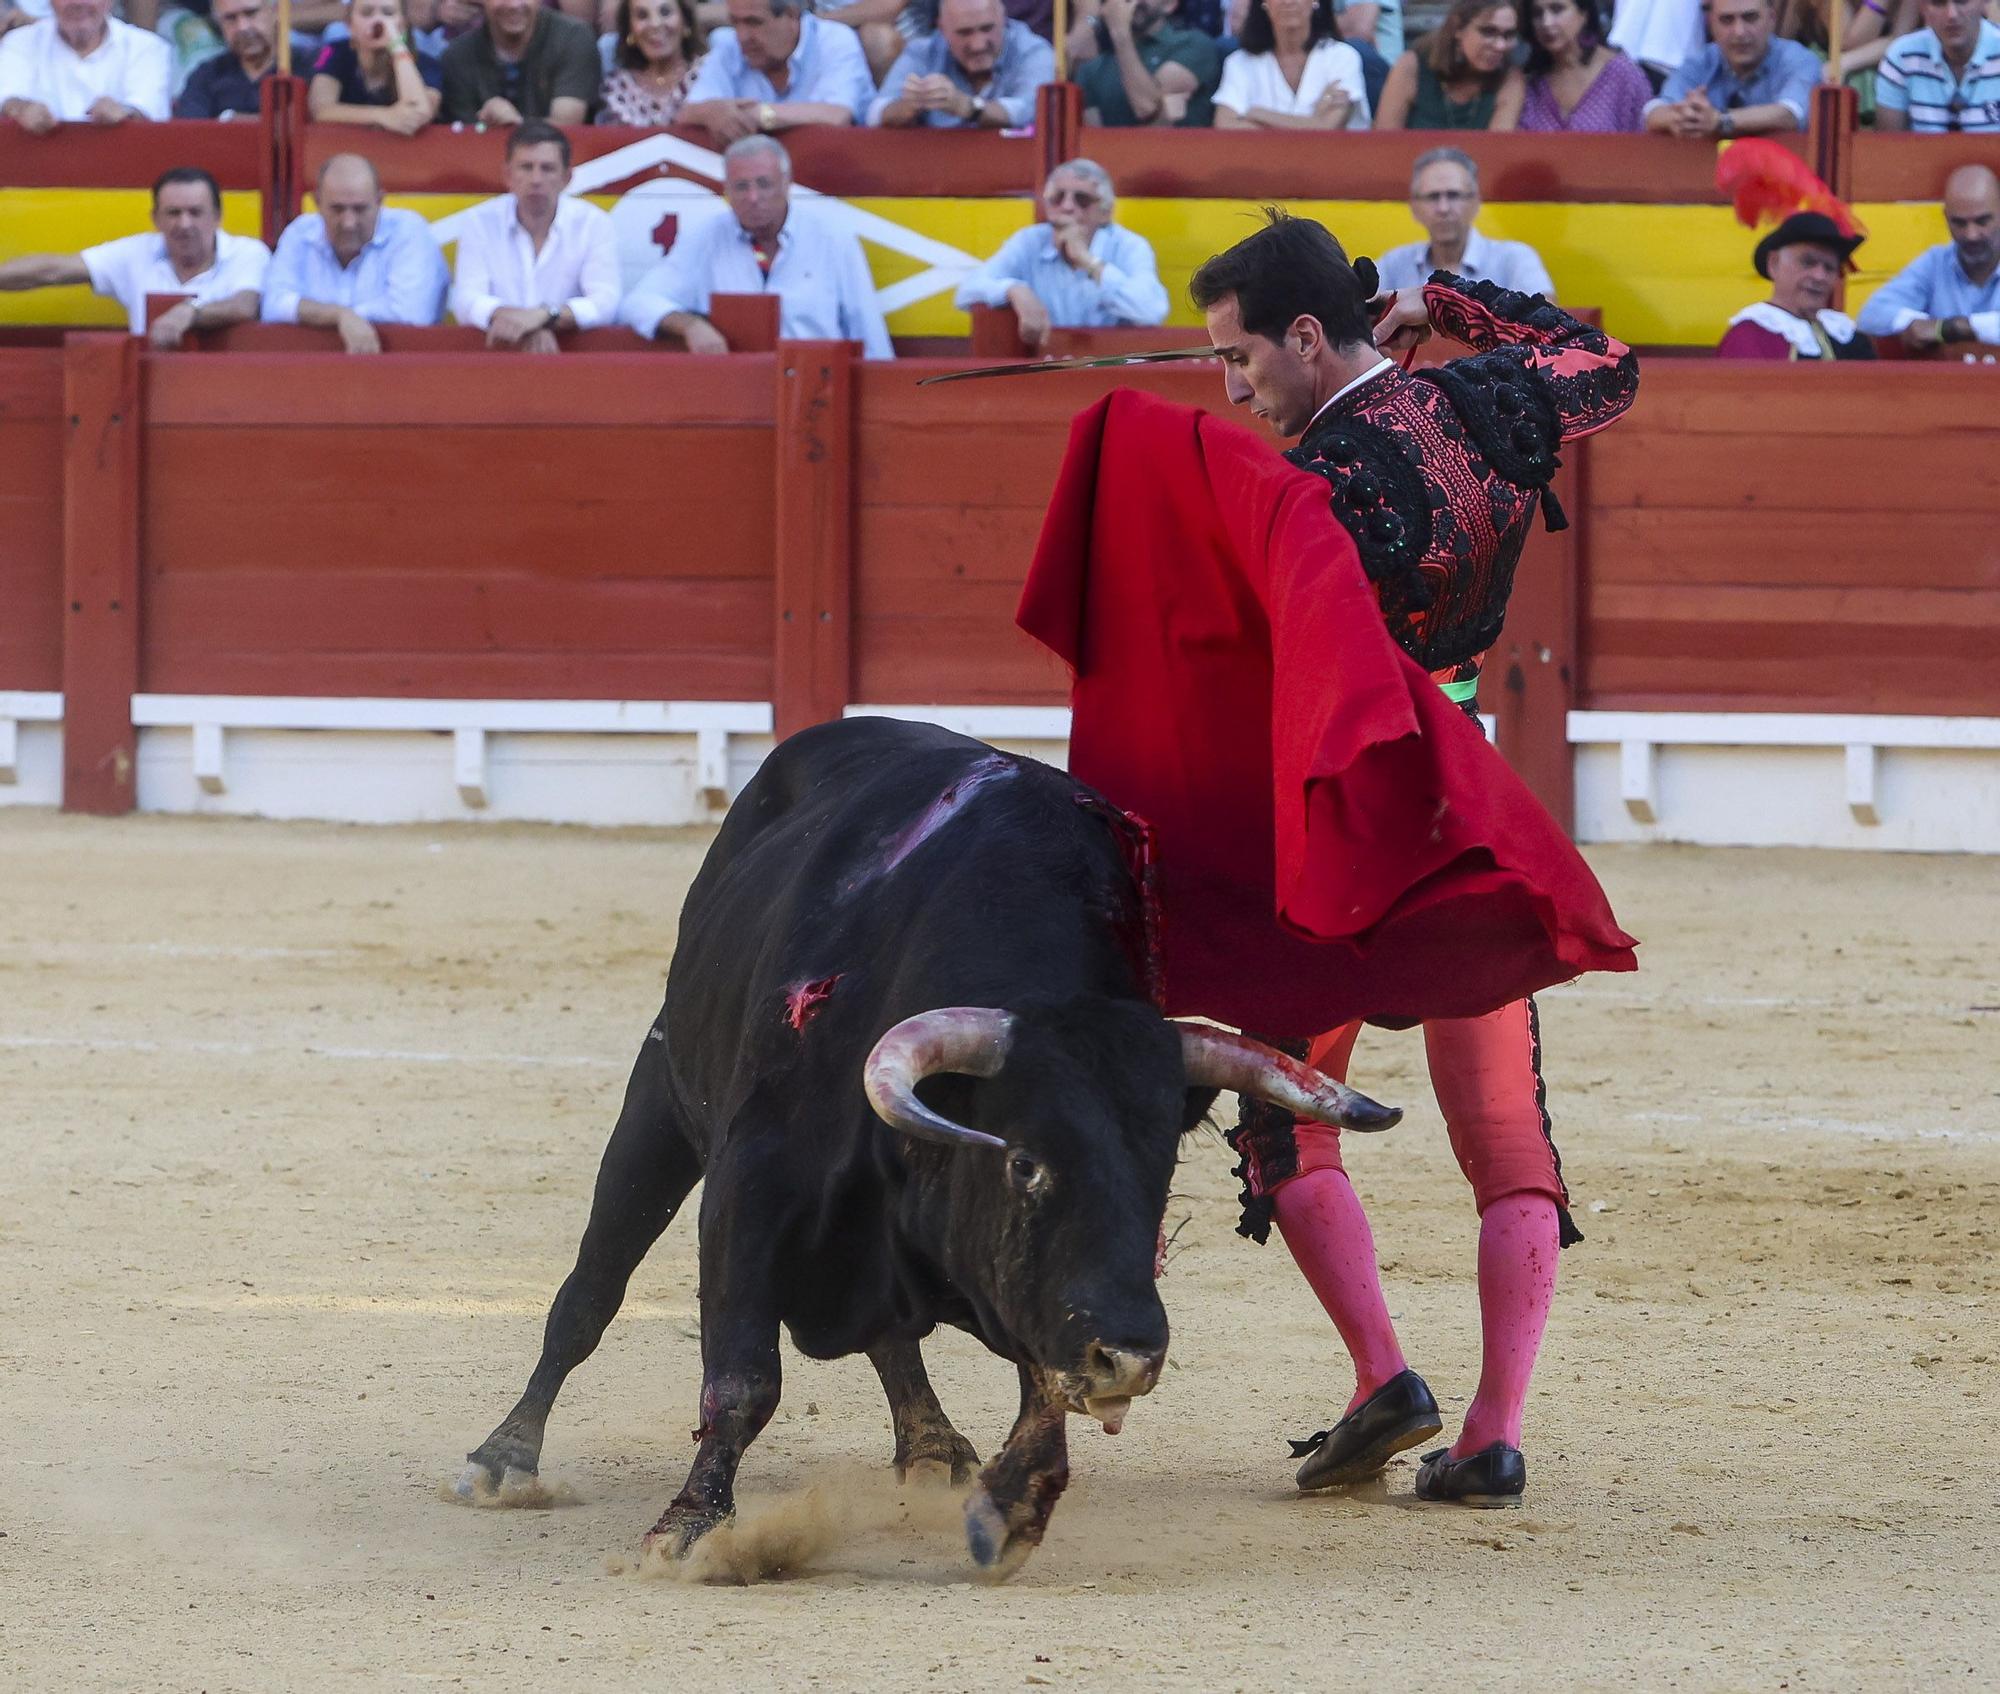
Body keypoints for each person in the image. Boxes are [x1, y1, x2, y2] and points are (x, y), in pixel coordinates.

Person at [1180, 211, 1637, 1508]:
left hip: (1338, 826)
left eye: (1240, 359)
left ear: (1308, 336)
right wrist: (1444, 297)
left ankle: (1384, 1373)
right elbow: (1602, 360)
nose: (1233, 386)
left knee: (1285, 1113)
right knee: (1505, 1130)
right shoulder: (1487, 406)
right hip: (1467, 801)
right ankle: (1493, 1428)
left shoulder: (1300, 495)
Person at [621, 134, 893, 357]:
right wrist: (691, 325)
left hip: (817, 389)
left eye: (764, 184)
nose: (753, 197)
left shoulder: (833, 239)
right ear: (726, 190)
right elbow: (639, 302)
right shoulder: (707, 236)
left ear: (787, 185)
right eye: (741, 187)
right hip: (735, 394)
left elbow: (870, 337)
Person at [0, 166, 266, 346]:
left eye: (195, 212)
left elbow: (245, 304)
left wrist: (190, 312)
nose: (184, 224)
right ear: (155, 219)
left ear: (218, 217)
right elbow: (52, 270)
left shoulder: (247, 252)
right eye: (173, 213)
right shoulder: (136, 253)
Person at [954, 159, 1168, 345]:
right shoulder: (1030, 240)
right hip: (1045, 365)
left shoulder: (1129, 246)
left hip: (1112, 366)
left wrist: (1088, 261)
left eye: (1082, 199)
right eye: (1057, 197)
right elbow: (966, 292)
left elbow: (1151, 311)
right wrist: (1014, 289)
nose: (1067, 206)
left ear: (1105, 212)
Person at [450, 121, 622, 349]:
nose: (536, 180)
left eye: (547, 168)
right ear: (507, 175)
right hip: (498, 358)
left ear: (567, 178)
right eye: (526, 167)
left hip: (571, 360)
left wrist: (544, 316)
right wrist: (523, 321)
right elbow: (465, 300)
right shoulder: (480, 222)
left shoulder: (594, 223)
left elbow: (606, 302)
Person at [262, 152, 450, 353]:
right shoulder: (300, 233)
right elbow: (272, 305)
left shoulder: (409, 232)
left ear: (380, 200)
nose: (349, 223)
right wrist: (339, 315)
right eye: (337, 209)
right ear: (317, 201)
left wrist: (323, 314)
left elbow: (411, 313)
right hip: (310, 372)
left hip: (402, 371)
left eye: (360, 209)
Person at [678, 0, 875, 140]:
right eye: (735, 22)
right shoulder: (729, 44)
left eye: (753, 22)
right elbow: (687, 113)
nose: (742, 36)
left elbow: (836, 114)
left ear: (791, 15)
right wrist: (713, 112)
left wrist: (762, 115)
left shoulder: (834, 40)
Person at [1855, 163, 2000, 349]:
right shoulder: (1935, 263)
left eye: (1982, 221)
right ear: (1946, 218)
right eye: (1959, 223)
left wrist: (1951, 328)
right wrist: (1920, 325)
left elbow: (1948, 329)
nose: (1971, 234)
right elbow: (1870, 315)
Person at [1376, 148, 1556, 296]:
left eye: (1454, 195)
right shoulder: (1394, 264)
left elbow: (1548, 321)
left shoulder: (1515, 258)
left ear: (1476, 202)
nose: (1443, 208)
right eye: (1432, 197)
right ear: (1414, 207)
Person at [1642, 0, 1819, 134]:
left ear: (1771, 19)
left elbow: (1791, 114)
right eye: (1727, 20)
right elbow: (1653, 112)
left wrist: (1720, 121)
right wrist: (1687, 117)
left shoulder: (1799, 60)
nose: (1739, 31)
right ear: (1711, 23)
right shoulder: (1699, 62)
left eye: (1750, 18)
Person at [1717, 209, 1874, 359]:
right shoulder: (1749, 338)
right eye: (1807, 263)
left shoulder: (1846, 336)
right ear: (1774, 263)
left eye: (1829, 267)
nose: (1820, 276)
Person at [869, 0, 1053, 127]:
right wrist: (908, 106)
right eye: (965, 32)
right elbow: (874, 114)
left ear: (1003, 19)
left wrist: (968, 107)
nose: (978, 44)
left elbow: (1031, 110)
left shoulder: (1033, 51)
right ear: (942, 29)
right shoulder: (923, 52)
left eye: (987, 28)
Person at [0, 0, 170, 129]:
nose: (78, 3)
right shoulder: (19, 42)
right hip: (39, 165)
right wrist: (22, 110)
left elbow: (148, 108)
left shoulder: (147, 47)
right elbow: (7, 98)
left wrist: (123, 112)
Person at [1214, 0, 1372, 129]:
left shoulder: (1342, 56)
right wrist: (1313, 121)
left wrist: (1257, 114)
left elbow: (1327, 128)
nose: (1288, 2)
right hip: (1260, 165)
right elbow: (1225, 125)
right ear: (1264, 3)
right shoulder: (1239, 62)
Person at [440, 0, 599, 123]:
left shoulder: (573, 38)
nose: (514, 5)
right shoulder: (457, 55)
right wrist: (485, 126)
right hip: (482, 157)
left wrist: (517, 125)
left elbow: (567, 124)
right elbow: (465, 133)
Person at [1374, 0, 1525, 129]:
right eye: (1488, 32)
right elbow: (1384, 143)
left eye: (1508, 35)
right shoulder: (1411, 66)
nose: (1500, 45)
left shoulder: (1510, 79)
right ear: (1458, 28)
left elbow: (1497, 151)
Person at [1072, 0, 1223, 127]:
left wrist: (1120, 34)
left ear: (1169, 4)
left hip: (1181, 158)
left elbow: (1146, 107)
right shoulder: (1093, 68)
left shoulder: (1193, 44)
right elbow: (1095, 139)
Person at [310, 0, 443, 131]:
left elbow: (419, 113)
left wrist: (397, 47)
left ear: (403, 25)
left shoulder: (428, 64)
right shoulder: (332, 51)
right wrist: (383, 115)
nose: (378, 20)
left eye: (388, 13)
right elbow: (321, 109)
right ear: (349, 25)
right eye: (367, 13)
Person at [1519, 0, 1651, 128]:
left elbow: (1647, 137)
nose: (1546, 22)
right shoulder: (1530, 82)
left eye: (1557, 9)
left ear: (1583, 14)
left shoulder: (1623, 75)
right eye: (1537, 13)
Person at [1876, 0, 2000, 132]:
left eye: (1962, 1)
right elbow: (1889, 148)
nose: (1952, 14)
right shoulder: (1901, 58)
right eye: (1938, 3)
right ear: (1923, 8)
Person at [173, 0, 305, 118]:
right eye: (230, 18)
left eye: (251, 13)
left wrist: (229, 119)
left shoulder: (310, 64)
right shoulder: (205, 76)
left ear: (275, 12)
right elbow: (190, 135)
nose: (243, 27)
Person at [595, 0, 705, 124]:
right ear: (630, 29)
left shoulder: (708, 74)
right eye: (642, 16)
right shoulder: (615, 86)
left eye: (665, 12)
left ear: (685, 22)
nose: (655, 24)